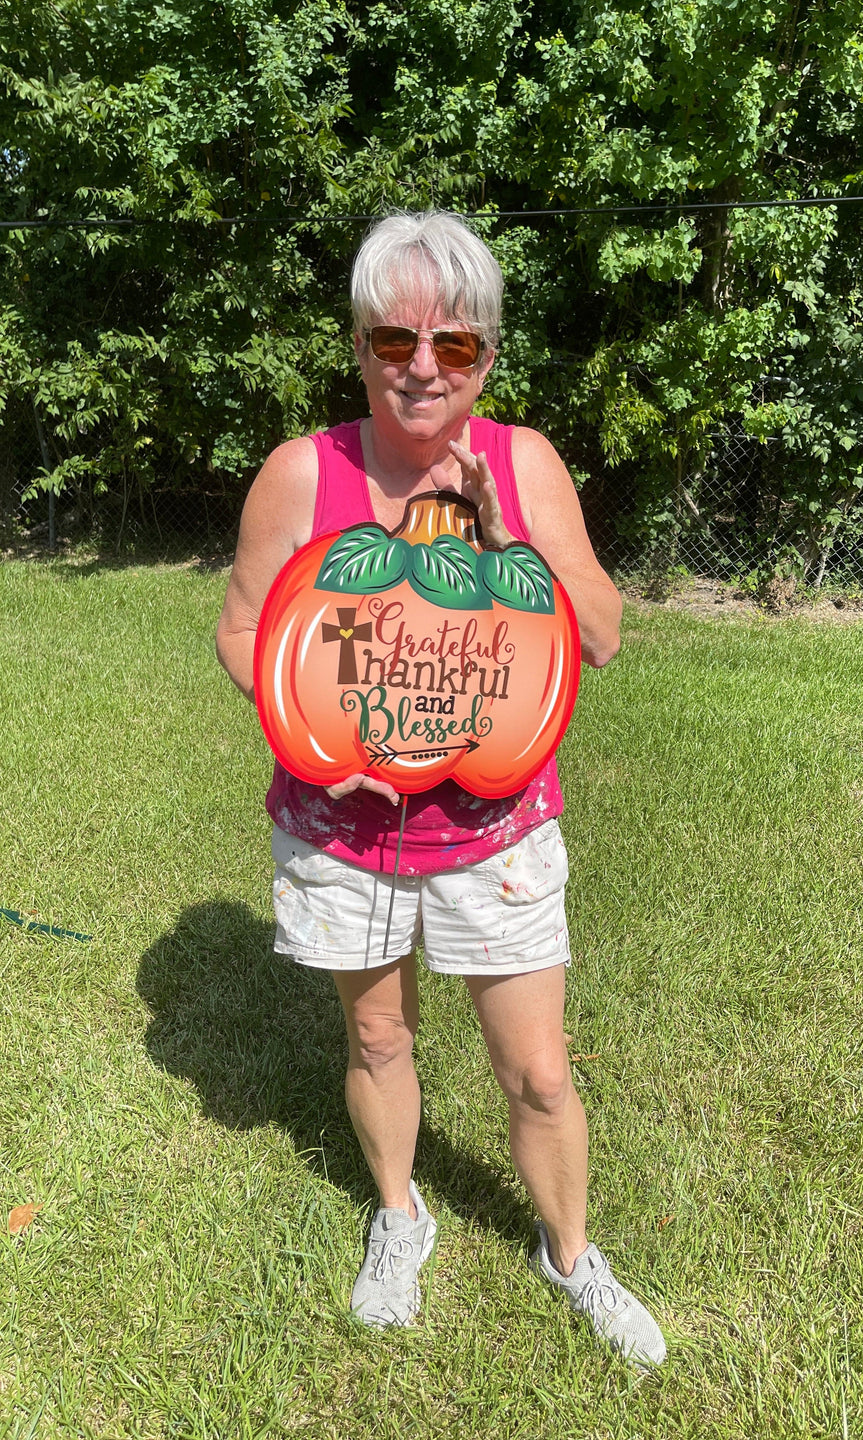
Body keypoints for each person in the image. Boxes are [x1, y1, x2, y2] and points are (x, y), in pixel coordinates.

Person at [216, 210, 666, 1367]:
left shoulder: (524, 463)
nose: (422, 367)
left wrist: (507, 533)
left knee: (539, 1068)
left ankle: (570, 1253)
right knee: (376, 1043)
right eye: (395, 340)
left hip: (494, 828)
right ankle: (401, 1217)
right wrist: (328, 739)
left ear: (487, 357)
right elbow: (242, 635)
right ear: (360, 346)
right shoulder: (299, 475)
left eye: (454, 346)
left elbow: (604, 634)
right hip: (341, 830)